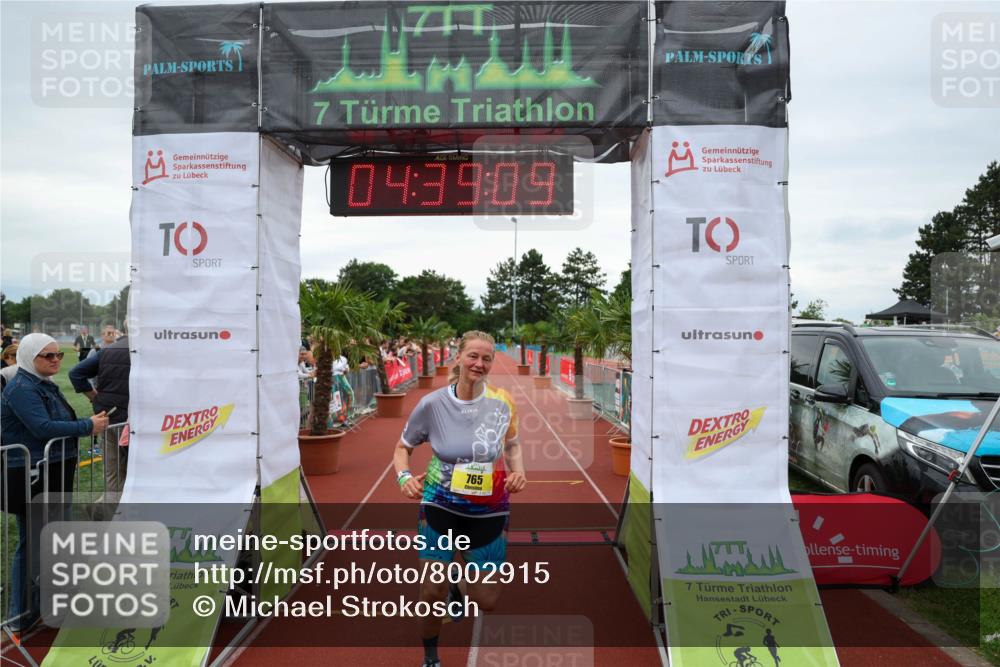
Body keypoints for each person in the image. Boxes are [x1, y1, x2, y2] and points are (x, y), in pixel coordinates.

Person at [392, 330, 527, 667]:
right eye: (473, 356)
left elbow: (512, 444)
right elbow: (403, 448)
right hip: (440, 501)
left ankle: (457, 585)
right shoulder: (432, 404)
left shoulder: (502, 403)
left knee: (487, 600)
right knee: (431, 591)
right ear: (459, 358)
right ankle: (431, 658)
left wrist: (518, 472)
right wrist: (404, 477)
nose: (479, 364)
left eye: (486, 358)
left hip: (489, 507)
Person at [1, 334, 109, 633]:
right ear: (28, 357)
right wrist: (88, 426)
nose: (56, 360)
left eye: (58, 354)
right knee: (32, 543)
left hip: (52, 469)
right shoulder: (22, 388)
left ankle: (41, 607)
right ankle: (22, 614)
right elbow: (42, 427)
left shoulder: (40, 384)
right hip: (33, 474)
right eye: (47, 355)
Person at [68, 327, 131, 494]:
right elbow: (76, 374)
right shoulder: (144, 350)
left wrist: (96, 399)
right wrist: (95, 397)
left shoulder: (107, 350)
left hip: (109, 417)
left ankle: (112, 508)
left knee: (113, 473)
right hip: (129, 421)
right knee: (134, 473)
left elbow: (75, 373)